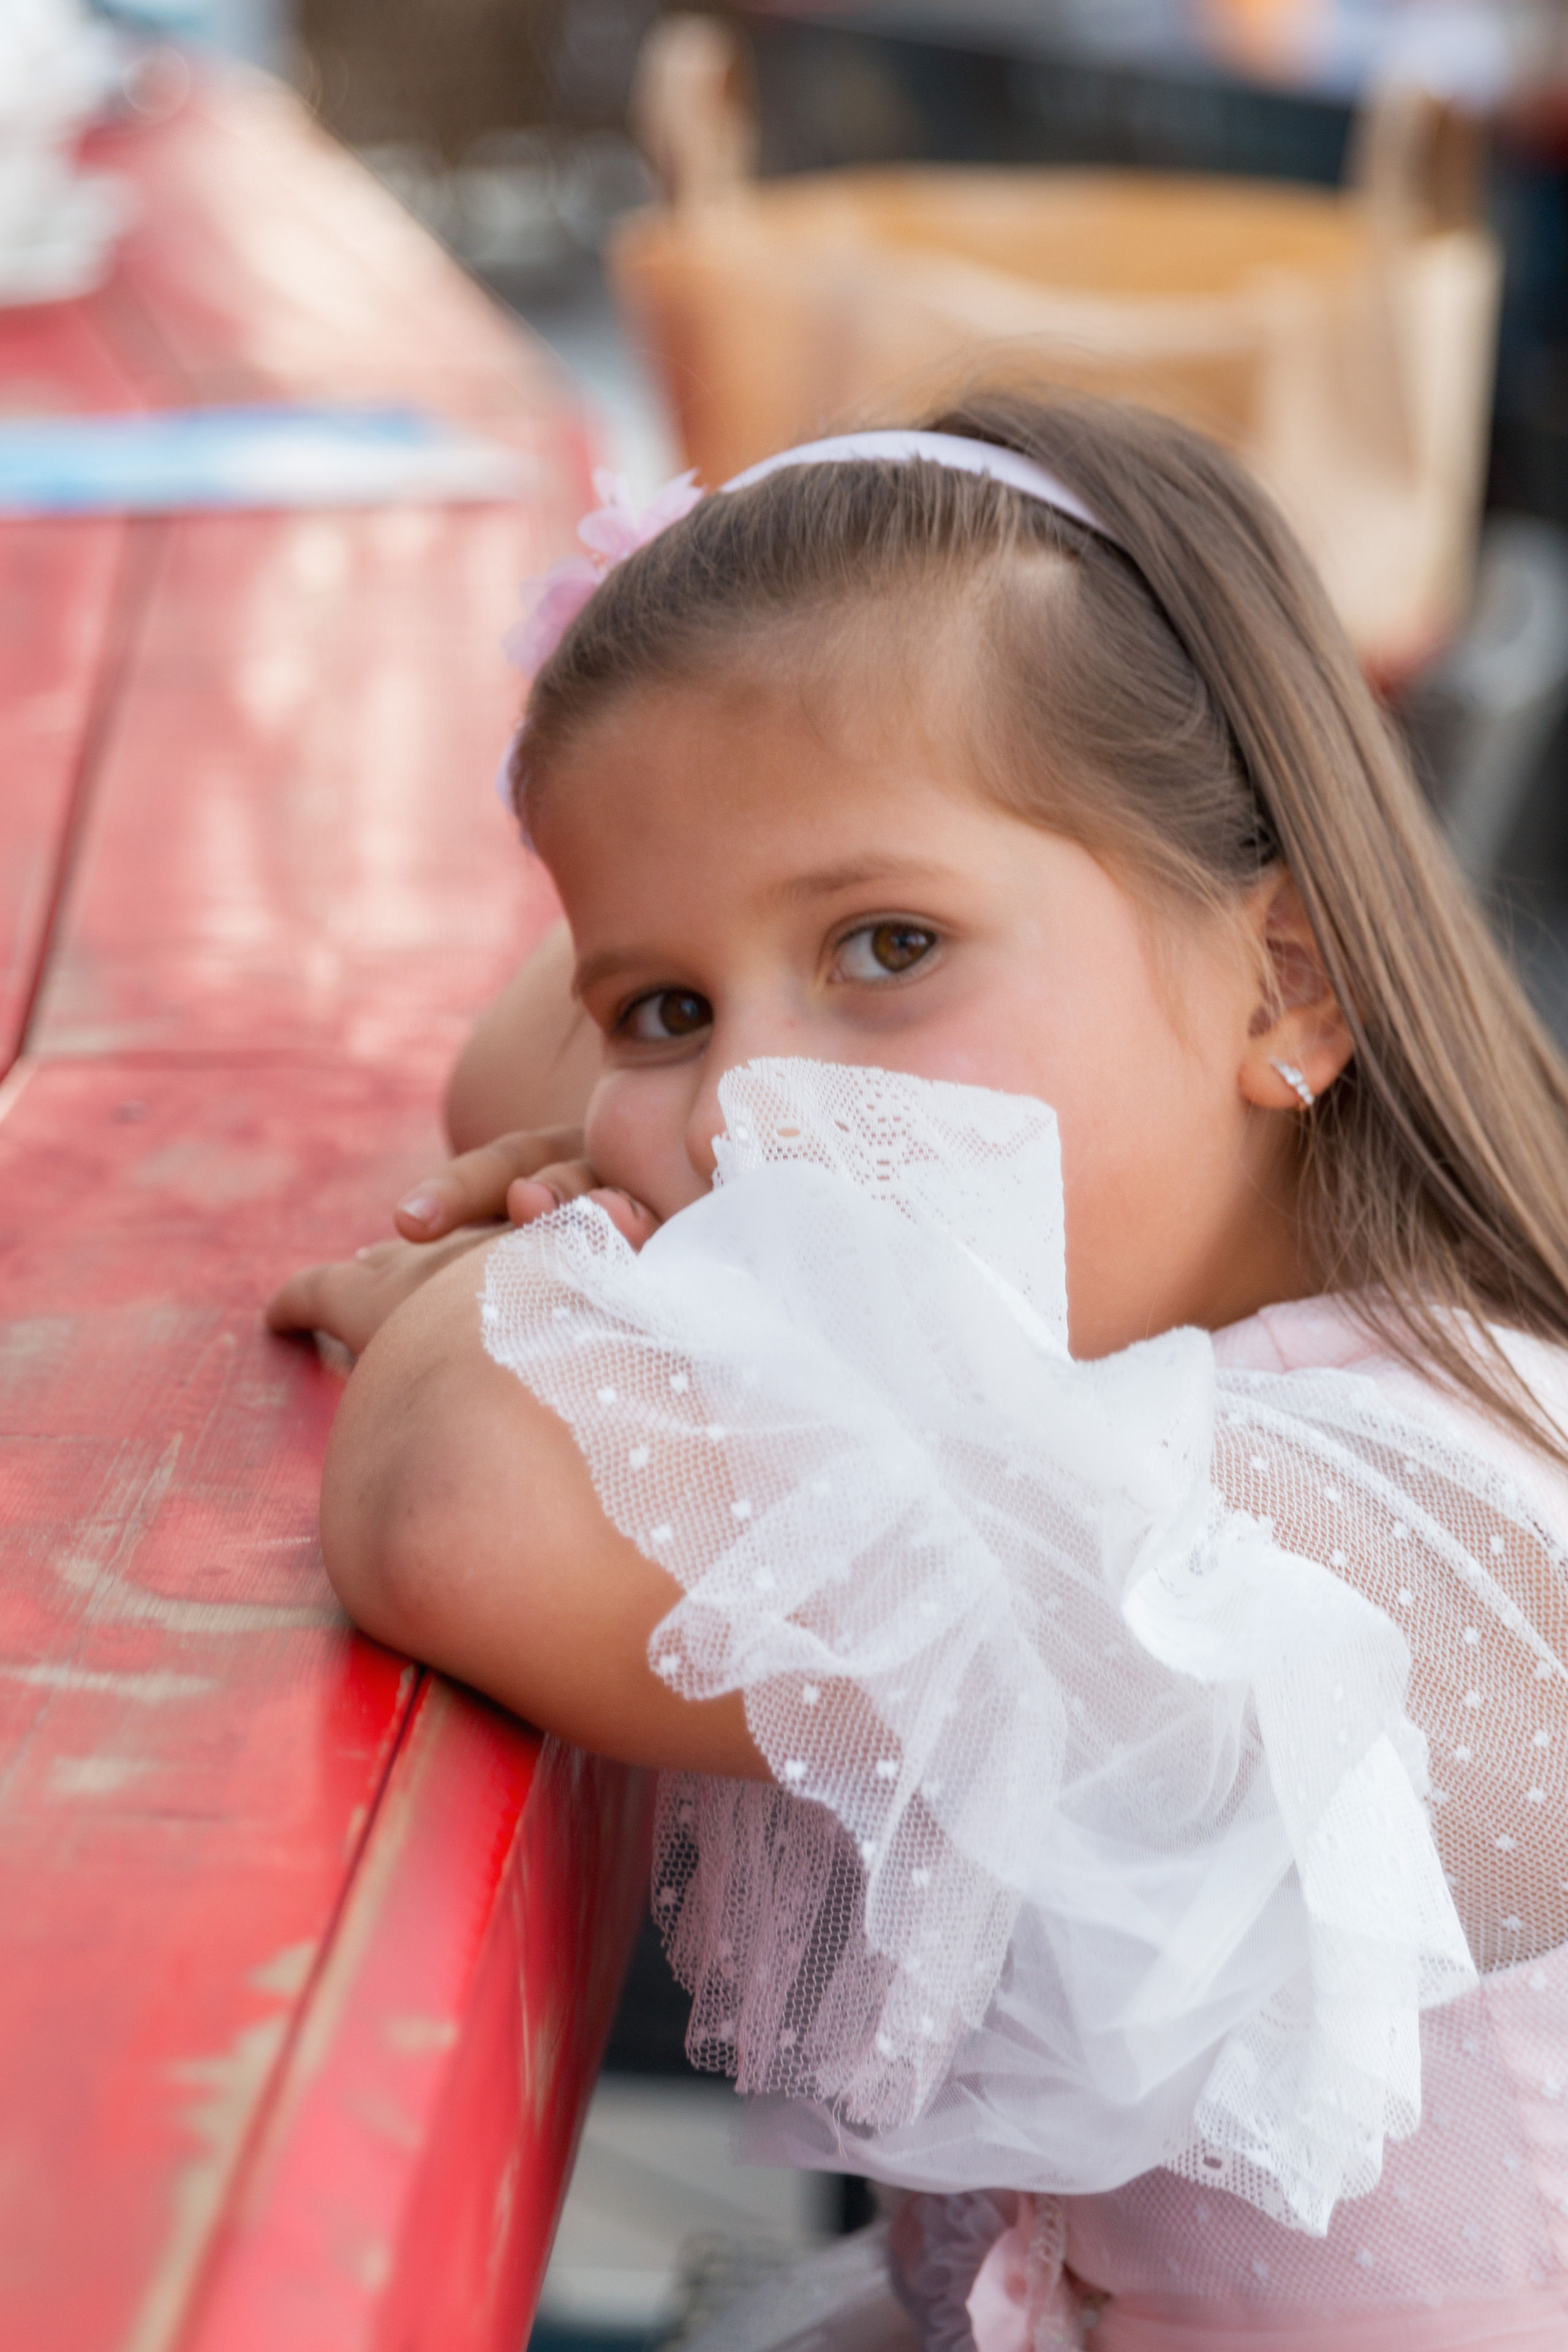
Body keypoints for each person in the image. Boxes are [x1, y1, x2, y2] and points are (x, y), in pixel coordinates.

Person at [267, 393, 1568, 2350]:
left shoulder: (1438, 1526)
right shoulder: (1068, 1342)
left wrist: (538, 1264)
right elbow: (514, 1079)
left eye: (889, 946)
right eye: (669, 1008)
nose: (750, 1112)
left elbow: (460, 1500)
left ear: (1285, 980)